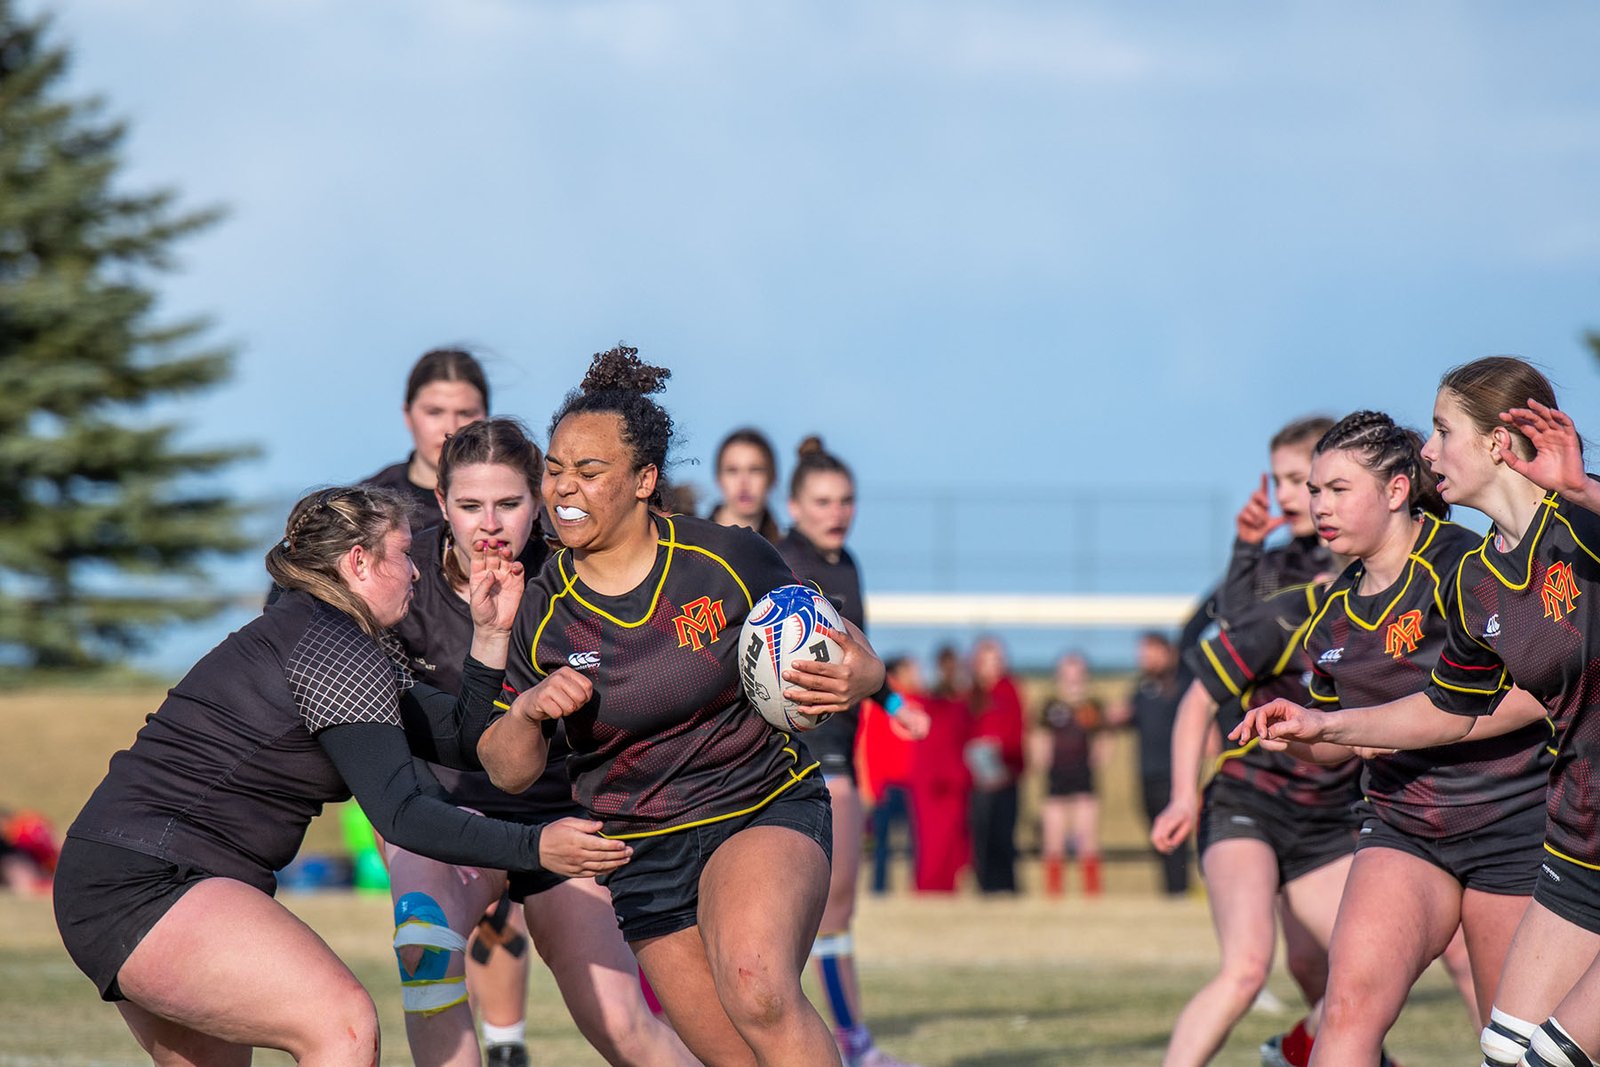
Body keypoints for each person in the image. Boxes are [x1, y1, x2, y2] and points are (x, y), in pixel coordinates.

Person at [52, 484, 628, 1065]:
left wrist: (491, 636)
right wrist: (535, 847)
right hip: (148, 880)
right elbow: (402, 815)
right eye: (403, 554)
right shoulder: (331, 645)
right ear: (359, 562)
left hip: (139, 873)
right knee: (342, 1025)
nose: (417, 572)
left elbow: (459, 739)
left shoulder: (329, 635)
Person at [477, 345, 888, 1067]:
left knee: (758, 988)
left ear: (644, 480)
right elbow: (506, 771)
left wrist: (866, 672)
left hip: (759, 805)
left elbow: (836, 635)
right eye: (555, 468)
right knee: (733, 1058)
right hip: (643, 853)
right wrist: (528, 712)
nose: (564, 486)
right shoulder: (543, 608)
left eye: (590, 470)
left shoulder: (727, 558)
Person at [1232, 358, 1600, 1067]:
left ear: (1497, 442)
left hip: (1516, 823)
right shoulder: (1479, 576)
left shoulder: (1575, 523)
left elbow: (1522, 702)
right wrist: (1321, 725)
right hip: (1566, 833)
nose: (1427, 451)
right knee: (1503, 1049)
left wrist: (1581, 486)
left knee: (1548, 1054)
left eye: (1441, 431)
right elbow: (1448, 708)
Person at [386, 418, 694, 1067]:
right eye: (470, 505)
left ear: (539, 500)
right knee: (425, 952)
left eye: (509, 503)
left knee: (623, 1023)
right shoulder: (402, 582)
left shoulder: (576, 579)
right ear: (441, 502)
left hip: (559, 821)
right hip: (450, 819)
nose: (489, 524)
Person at [1150, 577, 1363, 1067]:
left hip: (1330, 822)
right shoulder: (1286, 616)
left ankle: (1295, 1052)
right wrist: (1182, 798)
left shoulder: (1409, 616)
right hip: (1247, 803)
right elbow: (1198, 699)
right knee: (1246, 969)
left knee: (1368, 972)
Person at [777, 434, 930, 1067]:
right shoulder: (779, 561)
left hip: (843, 747)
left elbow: (857, 655)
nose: (836, 512)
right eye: (822, 501)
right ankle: (843, 1042)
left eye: (845, 500)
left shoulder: (849, 565)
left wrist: (893, 704)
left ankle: (848, 1039)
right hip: (799, 752)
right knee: (822, 905)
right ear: (794, 505)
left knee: (838, 904)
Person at [365, 347, 491, 521]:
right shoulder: (365, 508)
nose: (450, 429)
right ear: (408, 415)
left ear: (486, 418)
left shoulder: (521, 500)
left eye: (466, 413)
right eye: (434, 412)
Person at [1116, 631, 1192, 897]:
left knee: (1175, 832)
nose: (1144, 658)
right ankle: (1169, 890)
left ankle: (1179, 889)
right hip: (1146, 772)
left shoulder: (1182, 684)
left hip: (1174, 773)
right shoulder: (1141, 688)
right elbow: (1128, 717)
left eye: (1150, 652)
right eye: (1142, 653)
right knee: (1156, 831)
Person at [1032, 652, 1105, 897]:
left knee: (1088, 840)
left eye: (1077, 673)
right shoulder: (1049, 706)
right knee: (1053, 842)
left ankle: (1092, 896)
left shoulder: (1093, 706)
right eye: (1067, 673)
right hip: (1056, 780)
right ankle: (1054, 896)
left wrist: (1098, 758)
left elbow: (1103, 740)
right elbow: (1039, 740)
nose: (1072, 679)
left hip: (1084, 780)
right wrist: (1041, 762)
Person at [910, 645, 973, 893]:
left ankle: (947, 885)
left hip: (953, 778)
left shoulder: (962, 702)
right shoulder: (928, 700)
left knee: (951, 837)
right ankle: (929, 886)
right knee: (931, 838)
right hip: (930, 778)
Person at [861, 656, 926, 896]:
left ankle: (916, 887)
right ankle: (880, 889)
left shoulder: (919, 699)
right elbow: (871, 746)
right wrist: (872, 786)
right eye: (913, 670)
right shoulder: (884, 702)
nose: (918, 675)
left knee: (916, 841)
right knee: (882, 842)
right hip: (887, 786)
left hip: (914, 785)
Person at [967, 636, 1025, 894]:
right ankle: (985, 887)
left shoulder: (1010, 690)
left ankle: (1006, 887)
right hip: (976, 776)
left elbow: (1017, 729)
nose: (993, 666)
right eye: (987, 660)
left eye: (997, 660)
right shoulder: (970, 693)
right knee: (981, 835)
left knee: (1004, 835)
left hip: (1005, 773)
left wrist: (1011, 765)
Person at [707, 428, 781, 542]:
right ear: (718, 479)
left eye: (755, 470)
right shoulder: (690, 544)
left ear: (772, 478)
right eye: (732, 470)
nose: (743, 482)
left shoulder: (787, 550)